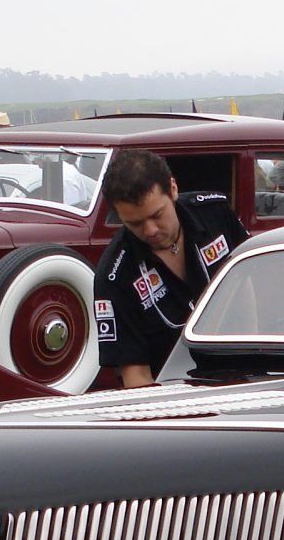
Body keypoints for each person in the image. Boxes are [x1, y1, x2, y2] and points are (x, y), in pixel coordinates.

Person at [94, 148, 246, 388]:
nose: (150, 230)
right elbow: (136, 378)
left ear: (173, 189)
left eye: (157, 215)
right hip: (176, 396)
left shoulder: (215, 213)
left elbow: (257, 285)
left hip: (247, 375)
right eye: (135, 223)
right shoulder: (114, 277)